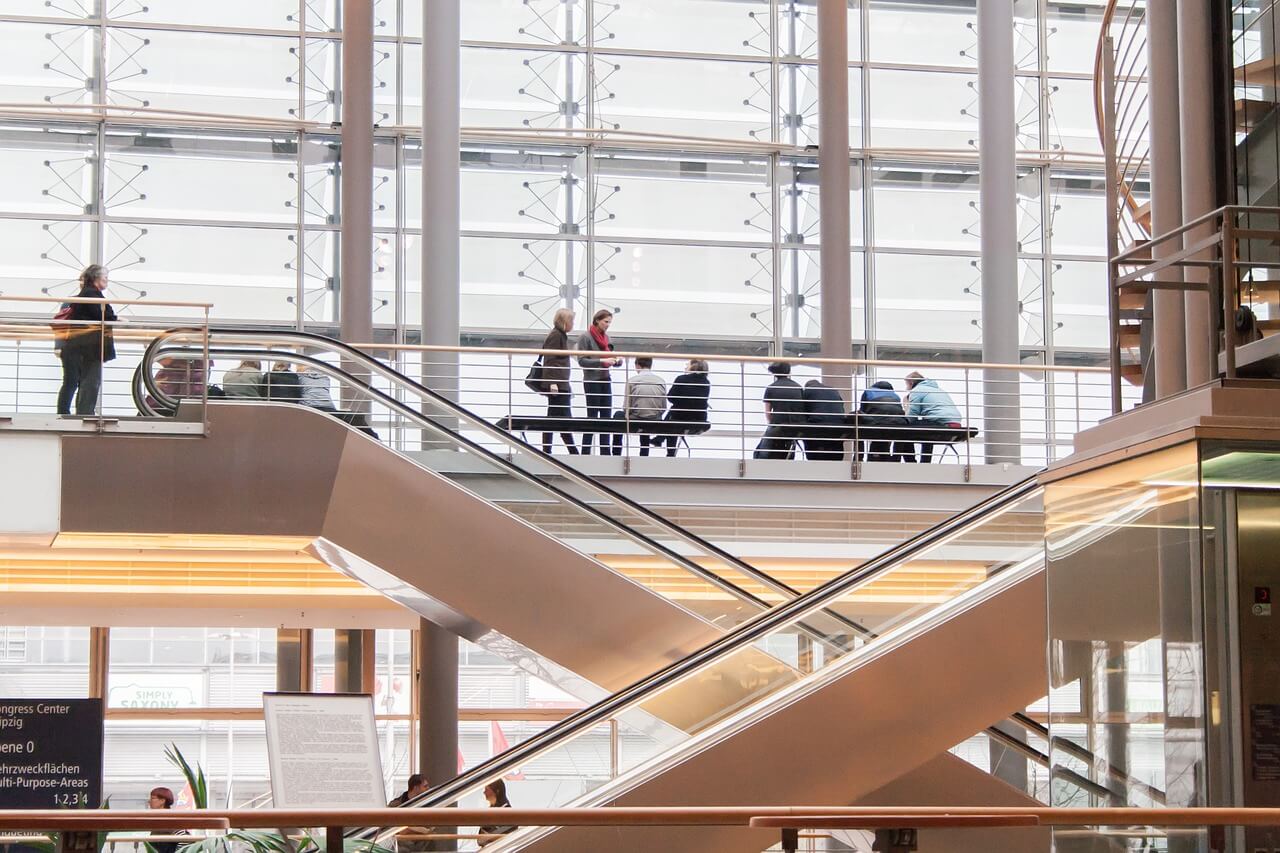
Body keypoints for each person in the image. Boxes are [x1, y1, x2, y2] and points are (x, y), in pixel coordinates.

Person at [57, 264, 116, 416]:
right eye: (105, 277)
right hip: (87, 346)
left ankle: (70, 413)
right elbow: (103, 315)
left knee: (75, 381)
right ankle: (82, 414)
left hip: (78, 346)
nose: (107, 280)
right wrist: (114, 318)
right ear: (96, 278)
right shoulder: (91, 295)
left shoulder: (86, 295)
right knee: (87, 382)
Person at [576, 308, 619, 455]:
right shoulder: (585, 337)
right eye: (606, 322)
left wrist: (616, 361)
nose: (608, 325)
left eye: (609, 322)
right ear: (597, 321)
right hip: (592, 380)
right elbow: (581, 361)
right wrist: (602, 361)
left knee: (606, 416)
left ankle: (605, 452)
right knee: (592, 416)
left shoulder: (607, 338)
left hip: (605, 379)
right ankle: (586, 451)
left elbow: (612, 355)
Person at [540, 308, 578, 455]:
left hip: (560, 384)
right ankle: (570, 451)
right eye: (571, 321)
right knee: (561, 418)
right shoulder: (556, 336)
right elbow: (550, 360)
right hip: (558, 385)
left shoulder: (560, 335)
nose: (573, 324)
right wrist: (552, 383)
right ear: (564, 322)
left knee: (557, 417)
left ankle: (550, 450)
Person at [612, 356, 667, 456]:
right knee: (646, 418)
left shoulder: (632, 380)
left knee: (618, 415)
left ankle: (616, 452)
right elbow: (664, 407)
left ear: (637, 365)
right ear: (650, 365)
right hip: (654, 420)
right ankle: (644, 453)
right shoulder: (661, 381)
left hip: (636, 419)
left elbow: (626, 408)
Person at [904, 371, 962, 464]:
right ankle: (925, 462)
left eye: (906, 384)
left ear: (911, 383)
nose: (906, 388)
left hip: (940, 423)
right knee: (925, 427)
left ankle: (910, 462)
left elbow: (912, 416)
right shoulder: (938, 389)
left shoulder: (917, 390)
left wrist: (906, 406)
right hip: (954, 423)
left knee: (903, 430)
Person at [753, 362, 804, 460]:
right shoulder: (798, 387)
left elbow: (768, 413)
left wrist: (772, 423)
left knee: (760, 453)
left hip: (778, 425)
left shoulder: (771, 388)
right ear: (788, 372)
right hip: (795, 426)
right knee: (789, 449)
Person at [662, 358, 711, 457]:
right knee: (674, 415)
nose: (685, 366)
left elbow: (670, 397)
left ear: (693, 366)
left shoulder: (681, 379)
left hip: (681, 416)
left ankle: (669, 452)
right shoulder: (706, 382)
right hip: (699, 418)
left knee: (672, 415)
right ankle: (660, 439)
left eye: (687, 364)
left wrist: (680, 401)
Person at [857, 380, 912, 462]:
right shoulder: (895, 396)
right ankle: (896, 459)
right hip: (897, 425)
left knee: (859, 425)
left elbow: (863, 411)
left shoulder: (868, 392)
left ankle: (859, 458)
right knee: (898, 434)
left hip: (877, 423)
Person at [800, 378, 846, 461]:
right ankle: (836, 458)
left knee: (805, 431)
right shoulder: (833, 390)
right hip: (838, 427)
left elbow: (802, 412)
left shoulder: (807, 392)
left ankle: (812, 458)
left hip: (818, 427)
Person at [388, 774, 434, 852]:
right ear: (416, 788)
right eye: (425, 786)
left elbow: (430, 828)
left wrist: (407, 828)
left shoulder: (428, 805)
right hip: (399, 847)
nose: (428, 788)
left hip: (421, 847)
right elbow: (389, 827)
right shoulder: (395, 805)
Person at [146, 786, 186, 853]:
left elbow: (185, 839)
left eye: (152, 798)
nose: (149, 801)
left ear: (162, 801)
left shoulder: (169, 818)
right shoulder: (161, 818)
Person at [477, 779, 514, 847]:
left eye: (487, 789)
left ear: (497, 791)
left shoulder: (507, 811)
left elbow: (486, 838)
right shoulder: (490, 810)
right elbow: (480, 840)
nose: (484, 792)